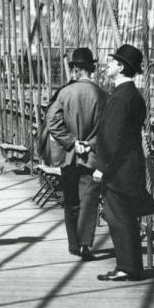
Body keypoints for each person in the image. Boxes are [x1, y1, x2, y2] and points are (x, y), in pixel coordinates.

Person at [93, 44, 154, 281]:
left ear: (120, 67)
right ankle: (130, 266)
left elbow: (112, 136)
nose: (107, 66)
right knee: (125, 217)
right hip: (131, 166)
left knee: (119, 218)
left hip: (117, 171)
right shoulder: (133, 96)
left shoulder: (119, 98)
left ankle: (127, 268)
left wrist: (100, 167)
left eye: (111, 63)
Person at [41, 47, 107, 261]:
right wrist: (89, 144)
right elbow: (108, 129)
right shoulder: (103, 95)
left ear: (76, 69)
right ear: (92, 69)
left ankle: (73, 244)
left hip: (69, 157)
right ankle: (85, 245)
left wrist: (71, 142)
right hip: (92, 156)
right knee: (89, 201)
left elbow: (52, 122)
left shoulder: (65, 93)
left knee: (70, 199)